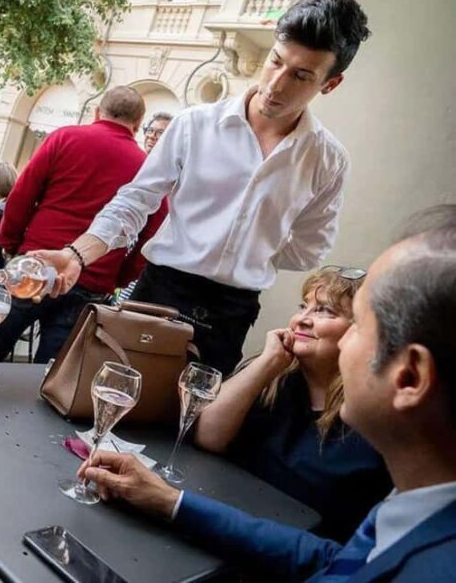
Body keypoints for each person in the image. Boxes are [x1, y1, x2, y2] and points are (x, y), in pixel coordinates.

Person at [79, 205, 456, 581]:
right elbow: (329, 559)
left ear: (409, 377)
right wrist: (170, 502)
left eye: (360, 326)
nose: (305, 319)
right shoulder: (411, 508)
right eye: (303, 306)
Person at [40, 0, 371, 376]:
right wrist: (77, 254)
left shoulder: (327, 159)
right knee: (106, 403)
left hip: (231, 312)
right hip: (159, 292)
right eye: (276, 61)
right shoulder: (194, 124)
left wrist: (253, 245)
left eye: (301, 75)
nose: (276, 85)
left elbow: (310, 249)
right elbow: (134, 202)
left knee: (188, 428)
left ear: (330, 84)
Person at [194, 267, 390, 541]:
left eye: (325, 311)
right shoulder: (272, 376)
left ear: (362, 333)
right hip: (220, 521)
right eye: (303, 306)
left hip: (296, 551)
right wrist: (266, 363)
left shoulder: (372, 415)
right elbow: (208, 437)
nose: (302, 320)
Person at [0, 86, 167, 364]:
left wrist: (11, 244)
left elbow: (22, 194)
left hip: (36, 264)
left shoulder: (64, 137)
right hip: (92, 280)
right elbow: (151, 233)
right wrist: (118, 277)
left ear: (97, 112)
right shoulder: (145, 168)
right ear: (138, 124)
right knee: (50, 372)